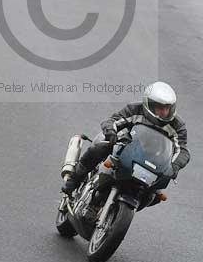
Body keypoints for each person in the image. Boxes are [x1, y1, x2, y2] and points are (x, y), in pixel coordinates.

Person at [62, 81, 190, 199]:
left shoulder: (177, 126)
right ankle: (73, 180)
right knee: (101, 146)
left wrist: (174, 166)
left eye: (167, 108)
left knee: (154, 196)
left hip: (153, 160)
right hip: (126, 148)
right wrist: (111, 132)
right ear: (149, 105)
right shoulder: (135, 110)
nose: (164, 112)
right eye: (160, 107)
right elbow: (112, 121)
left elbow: (182, 150)